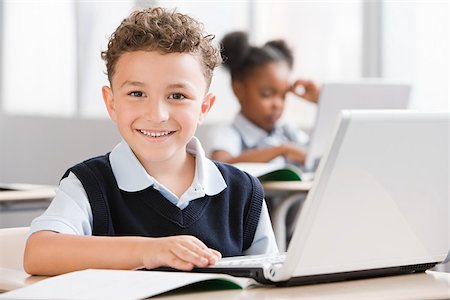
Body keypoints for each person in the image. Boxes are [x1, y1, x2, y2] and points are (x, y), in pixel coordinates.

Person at [23, 8, 278, 276]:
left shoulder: (244, 192)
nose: (157, 115)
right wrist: (147, 251)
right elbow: (39, 253)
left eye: (177, 96)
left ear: (204, 107)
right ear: (111, 103)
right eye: (137, 93)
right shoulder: (89, 184)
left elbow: (270, 278)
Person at [208, 31, 320, 166]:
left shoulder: (287, 132)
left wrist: (320, 101)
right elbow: (222, 164)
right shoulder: (228, 133)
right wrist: (281, 150)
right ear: (238, 89)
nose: (278, 104)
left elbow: (321, 154)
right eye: (267, 94)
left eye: (283, 96)